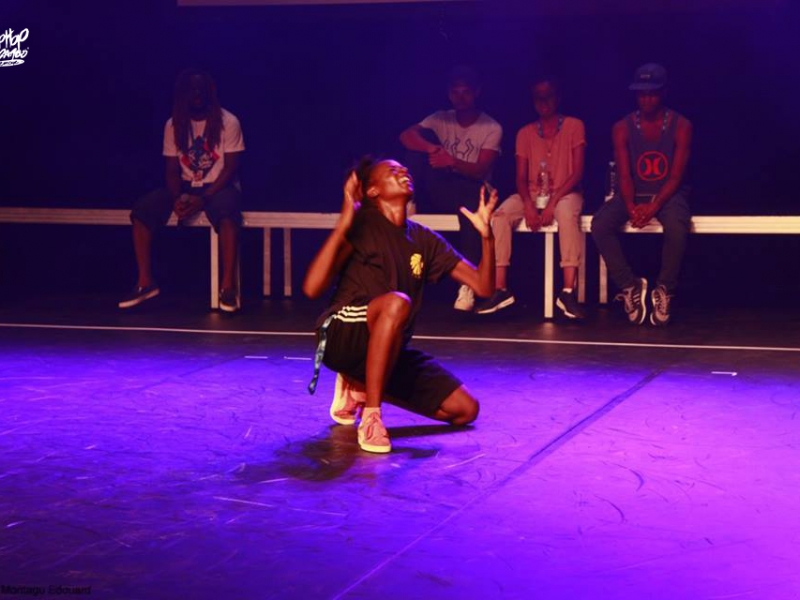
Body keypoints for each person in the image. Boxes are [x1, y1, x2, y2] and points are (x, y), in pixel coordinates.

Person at [303, 157, 497, 454]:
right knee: (397, 303)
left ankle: (359, 384)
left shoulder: (423, 239)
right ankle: (372, 417)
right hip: (340, 334)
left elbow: (483, 286)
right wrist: (344, 222)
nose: (404, 172)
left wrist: (487, 237)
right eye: (393, 171)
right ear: (372, 190)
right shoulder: (363, 226)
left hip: (387, 343)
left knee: (465, 409)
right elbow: (312, 288)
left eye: (405, 169)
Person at [119, 69, 245, 312]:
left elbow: (230, 168)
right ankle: (145, 283)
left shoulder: (228, 122)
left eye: (200, 89)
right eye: (191, 90)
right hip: (186, 186)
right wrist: (177, 198)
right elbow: (171, 169)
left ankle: (228, 288)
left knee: (228, 212)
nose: (196, 95)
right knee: (142, 210)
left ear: (210, 92)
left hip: (219, 185)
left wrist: (203, 199)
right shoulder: (174, 124)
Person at [477, 77, 587, 319]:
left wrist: (553, 202)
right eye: (538, 98)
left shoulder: (574, 126)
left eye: (548, 97)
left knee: (566, 213)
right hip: (533, 193)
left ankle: (568, 291)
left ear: (557, 98)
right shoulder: (525, 133)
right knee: (500, 215)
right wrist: (528, 204)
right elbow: (520, 177)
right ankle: (501, 289)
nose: (543, 102)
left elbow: (577, 172)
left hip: (565, 192)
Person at [591, 63, 692, 326]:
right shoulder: (622, 127)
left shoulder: (681, 125)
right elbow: (624, 176)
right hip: (634, 192)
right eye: (642, 94)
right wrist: (631, 206)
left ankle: (664, 289)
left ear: (663, 92)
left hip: (668, 193)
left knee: (677, 227)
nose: (646, 99)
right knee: (600, 224)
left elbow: (675, 176)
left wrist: (654, 206)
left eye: (652, 93)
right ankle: (629, 285)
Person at [399, 65, 502, 312]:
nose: (460, 97)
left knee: (471, 205)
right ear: (449, 94)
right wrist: (433, 149)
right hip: (443, 187)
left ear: (476, 92)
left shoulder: (491, 127)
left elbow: (480, 169)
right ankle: (408, 199)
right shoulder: (440, 118)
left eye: (466, 92)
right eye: (455, 92)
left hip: (474, 187)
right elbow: (406, 136)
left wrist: (452, 162)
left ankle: (467, 285)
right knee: (418, 148)